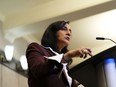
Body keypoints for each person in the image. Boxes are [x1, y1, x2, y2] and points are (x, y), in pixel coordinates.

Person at [26, 21, 92, 87]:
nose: (69, 33)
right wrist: (68, 55)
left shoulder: (65, 65)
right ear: (53, 32)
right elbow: (38, 70)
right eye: (64, 29)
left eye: (70, 31)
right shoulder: (36, 47)